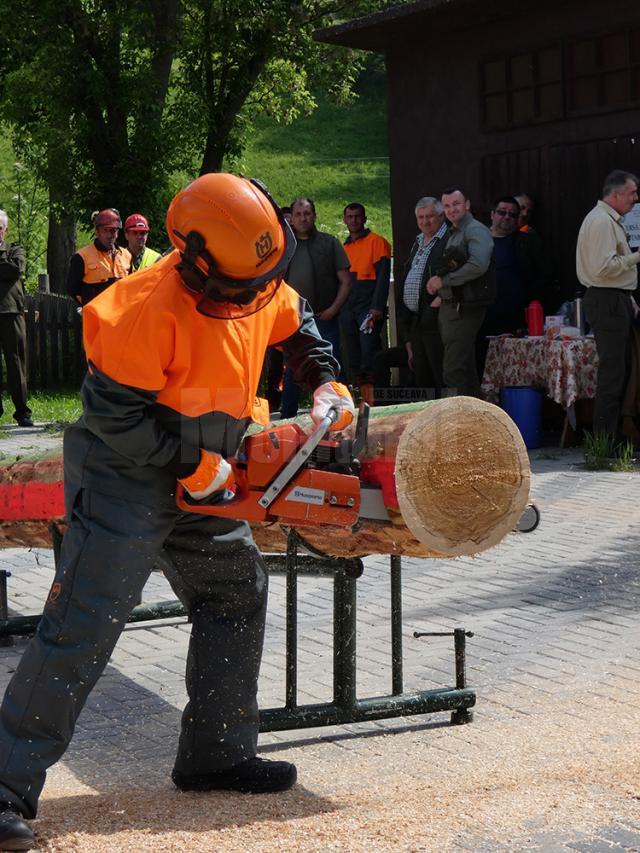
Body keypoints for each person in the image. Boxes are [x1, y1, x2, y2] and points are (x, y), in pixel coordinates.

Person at [0, 173, 355, 851]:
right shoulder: (141, 306)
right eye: (245, 285)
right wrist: (190, 465)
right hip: (125, 472)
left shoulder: (252, 272)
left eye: (264, 279)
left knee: (235, 589)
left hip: (208, 464)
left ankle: (215, 752)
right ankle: (4, 785)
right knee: (87, 620)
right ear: (196, 261)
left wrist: (325, 379)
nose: (258, 293)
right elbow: (115, 418)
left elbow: (298, 324)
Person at [576, 169, 640, 440]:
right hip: (607, 299)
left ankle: (610, 438)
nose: (635, 199)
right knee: (613, 373)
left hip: (615, 298)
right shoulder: (602, 221)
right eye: (632, 193)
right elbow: (603, 269)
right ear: (615, 195)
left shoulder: (607, 219)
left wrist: (630, 299)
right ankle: (604, 443)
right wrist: (637, 257)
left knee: (619, 370)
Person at [279, 197, 351, 417]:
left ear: (315, 216)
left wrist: (333, 309)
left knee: (329, 367)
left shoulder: (329, 244)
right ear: (291, 218)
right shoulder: (283, 247)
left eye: (307, 213)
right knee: (292, 371)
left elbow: (346, 282)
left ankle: (337, 415)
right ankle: (287, 418)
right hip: (293, 321)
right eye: (299, 214)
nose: (303, 218)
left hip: (324, 318)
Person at [426, 187, 494, 397]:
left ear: (467, 205)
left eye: (456, 204)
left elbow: (478, 265)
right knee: (466, 371)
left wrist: (443, 281)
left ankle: (457, 426)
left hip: (465, 309)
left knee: (453, 372)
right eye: (447, 206)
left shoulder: (475, 230)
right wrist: (441, 291)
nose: (452, 209)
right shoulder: (454, 232)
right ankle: (476, 423)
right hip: (452, 307)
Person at [394, 196, 449, 396]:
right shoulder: (419, 240)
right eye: (421, 217)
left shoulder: (448, 239)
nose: (425, 221)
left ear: (442, 216)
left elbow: (456, 273)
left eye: (430, 217)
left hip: (437, 319)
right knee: (422, 376)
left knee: (440, 374)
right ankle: (429, 423)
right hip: (417, 320)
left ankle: (448, 422)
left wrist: (439, 298)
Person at [340, 203, 391, 402]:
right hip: (348, 307)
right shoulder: (344, 247)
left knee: (370, 351)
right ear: (345, 220)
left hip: (368, 307)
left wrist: (377, 306)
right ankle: (361, 399)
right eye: (350, 217)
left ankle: (378, 400)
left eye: (357, 216)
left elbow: (383, 277)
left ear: (364, 218)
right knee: (353, 354)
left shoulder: (378, 242)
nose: (353, 220)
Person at [0, 209, 33, 427]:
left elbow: (15, 269)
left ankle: (22, 412)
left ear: (5, 229)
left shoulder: (14, 249)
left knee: (16, 362)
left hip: (11, 312)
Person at [66, 208, 132, 306]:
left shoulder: (126, 255)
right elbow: (72, 289)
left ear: (117, 233)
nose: (110, 235)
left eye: (113, 231)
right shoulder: (82, 257)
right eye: (106, 230)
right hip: (95, 316)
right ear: (97, 232)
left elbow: (130, 287)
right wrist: (88, 306)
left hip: (120, 316)